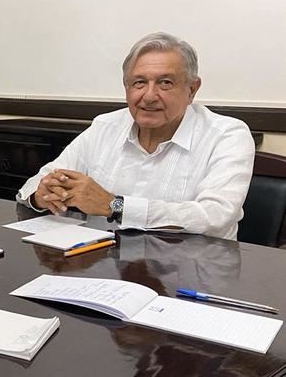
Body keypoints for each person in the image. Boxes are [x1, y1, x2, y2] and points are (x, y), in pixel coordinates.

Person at [17, 32, 255, 240]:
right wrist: (43, 194)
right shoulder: (105, 126)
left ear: (192, 89)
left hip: (190, 274)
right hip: (102, 267)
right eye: (139, 82)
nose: (149, 96)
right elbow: (38, 183)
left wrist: (115, 206)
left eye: (165, 83)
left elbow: (214, 216)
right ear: (127, 88)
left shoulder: (228, 135)